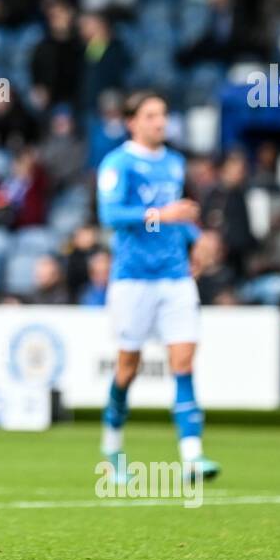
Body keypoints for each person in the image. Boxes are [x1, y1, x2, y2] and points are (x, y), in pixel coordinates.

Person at [96, 91, 219, 484]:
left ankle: (192, 456)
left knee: (183, 363)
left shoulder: (175, 163)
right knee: (127, 370)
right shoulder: (118, 164)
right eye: (151, 116)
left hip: (175, 275)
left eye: (163, 115)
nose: (160, 122)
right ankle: (113, 450)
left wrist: (193, 238)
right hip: (133, 278)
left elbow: (178, 219)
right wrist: (162, 215)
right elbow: (111, 215)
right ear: (132, 121)